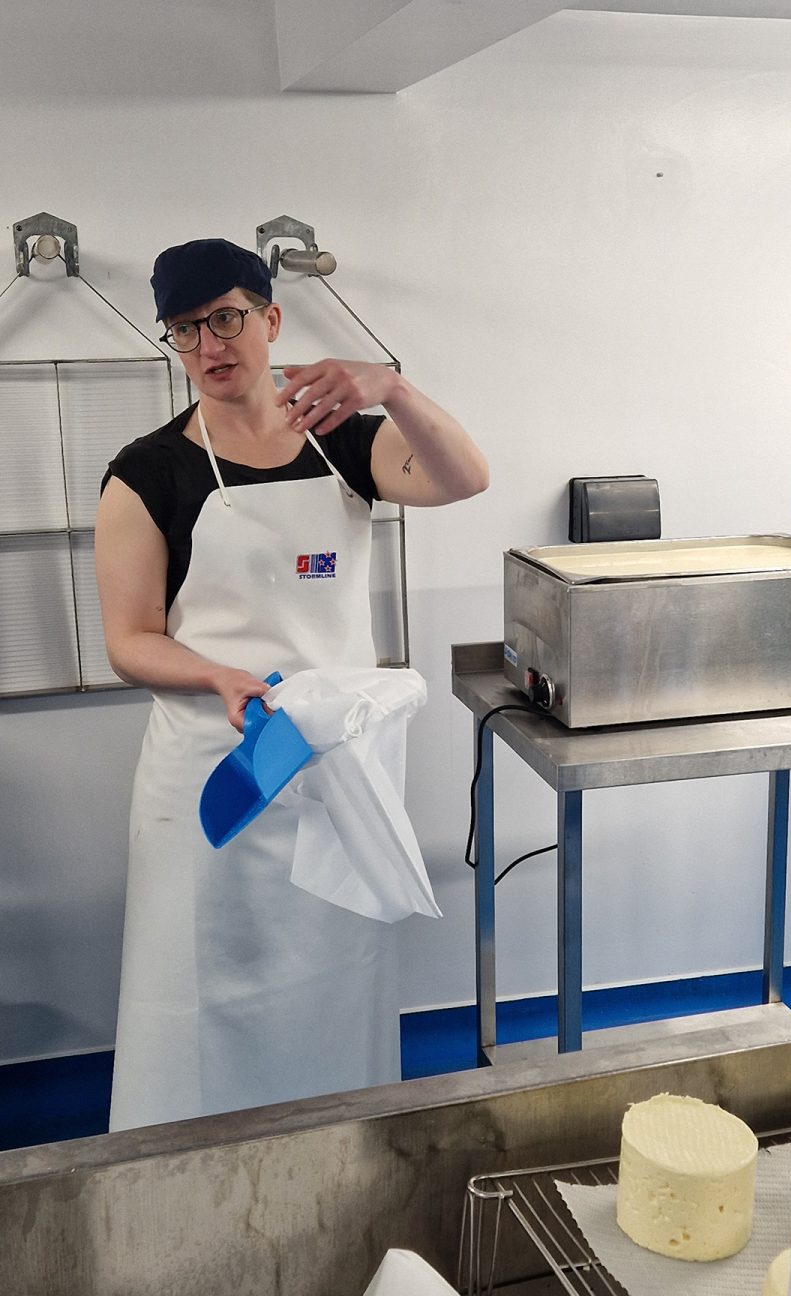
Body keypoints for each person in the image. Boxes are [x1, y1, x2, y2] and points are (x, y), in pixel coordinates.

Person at [95, 238, 488, 1131]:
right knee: (200, 996)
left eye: (227, 317)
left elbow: (467, 478)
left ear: (271, 320)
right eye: (186, 330)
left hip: (333, 777)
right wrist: (214, 674)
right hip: (216, 778)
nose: (210, 344)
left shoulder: (344, 439)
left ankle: (336, 1156)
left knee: (336, 983)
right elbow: (130, 642)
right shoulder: (148, 472)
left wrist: (391, 387)